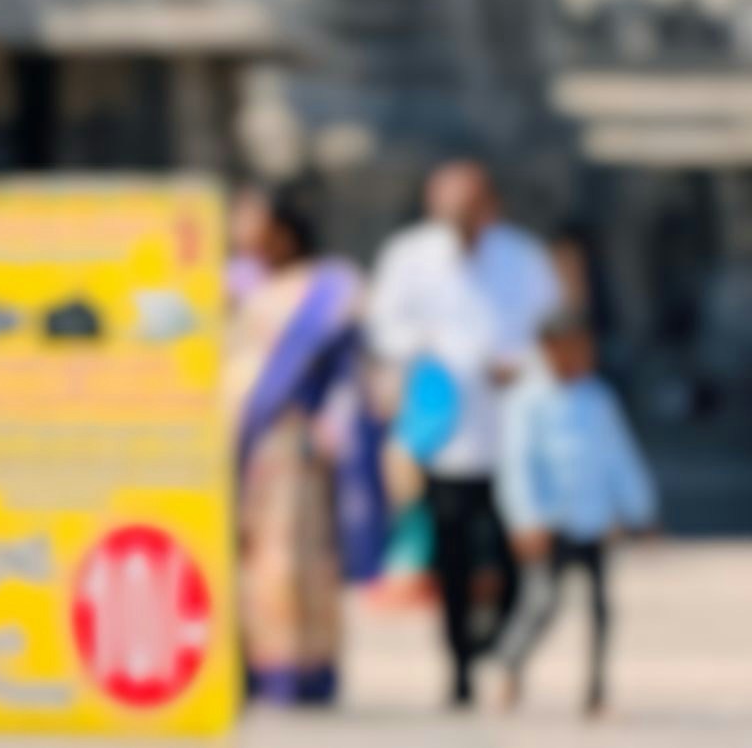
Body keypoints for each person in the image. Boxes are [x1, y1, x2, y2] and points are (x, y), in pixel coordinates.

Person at [366, 158, 563, 708]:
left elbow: (553, 330)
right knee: (450, 556)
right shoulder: (408, 256)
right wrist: (431, 349)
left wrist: (518, 363)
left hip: (510, 430)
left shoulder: (523, 258)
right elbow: (385, 328)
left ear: (489, 205)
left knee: (512, 552)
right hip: (443, 431)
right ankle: (457, 666)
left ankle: (494, 641)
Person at [222, 188, 382, 705]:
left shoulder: (327, 290)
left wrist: (334, 431)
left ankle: (298, 672)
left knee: (293, 562)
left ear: (281, 231)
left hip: (294, 448)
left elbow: (349, 373)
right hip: (232, 443)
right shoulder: (230, 285)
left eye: (249, 219)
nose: (238, 228)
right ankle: (243, 667)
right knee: (240, 558)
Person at [489, 312, 658, 715]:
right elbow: (517, 465)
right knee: (543, 603)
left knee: (601, 608)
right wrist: (525, 520)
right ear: (548, 350)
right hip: (551, 522)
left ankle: (596, 689)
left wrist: (640, 508)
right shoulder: (526, 400)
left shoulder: (598, 398)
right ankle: (512, 661)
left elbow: (619, 456)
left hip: (593, 519)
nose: (580, 358)